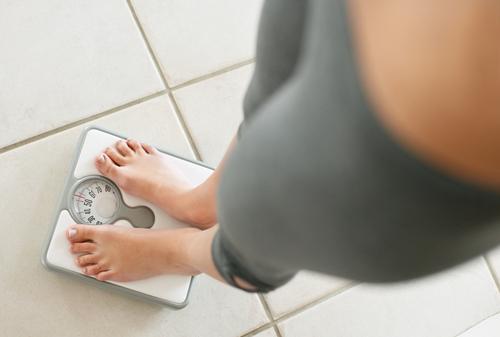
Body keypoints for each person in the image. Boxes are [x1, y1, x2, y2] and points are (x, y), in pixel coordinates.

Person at [66, 0, 500, 292]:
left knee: (256, 239)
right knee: (272, 94)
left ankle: (180, 253)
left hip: (438, 138)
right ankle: (205, 201)